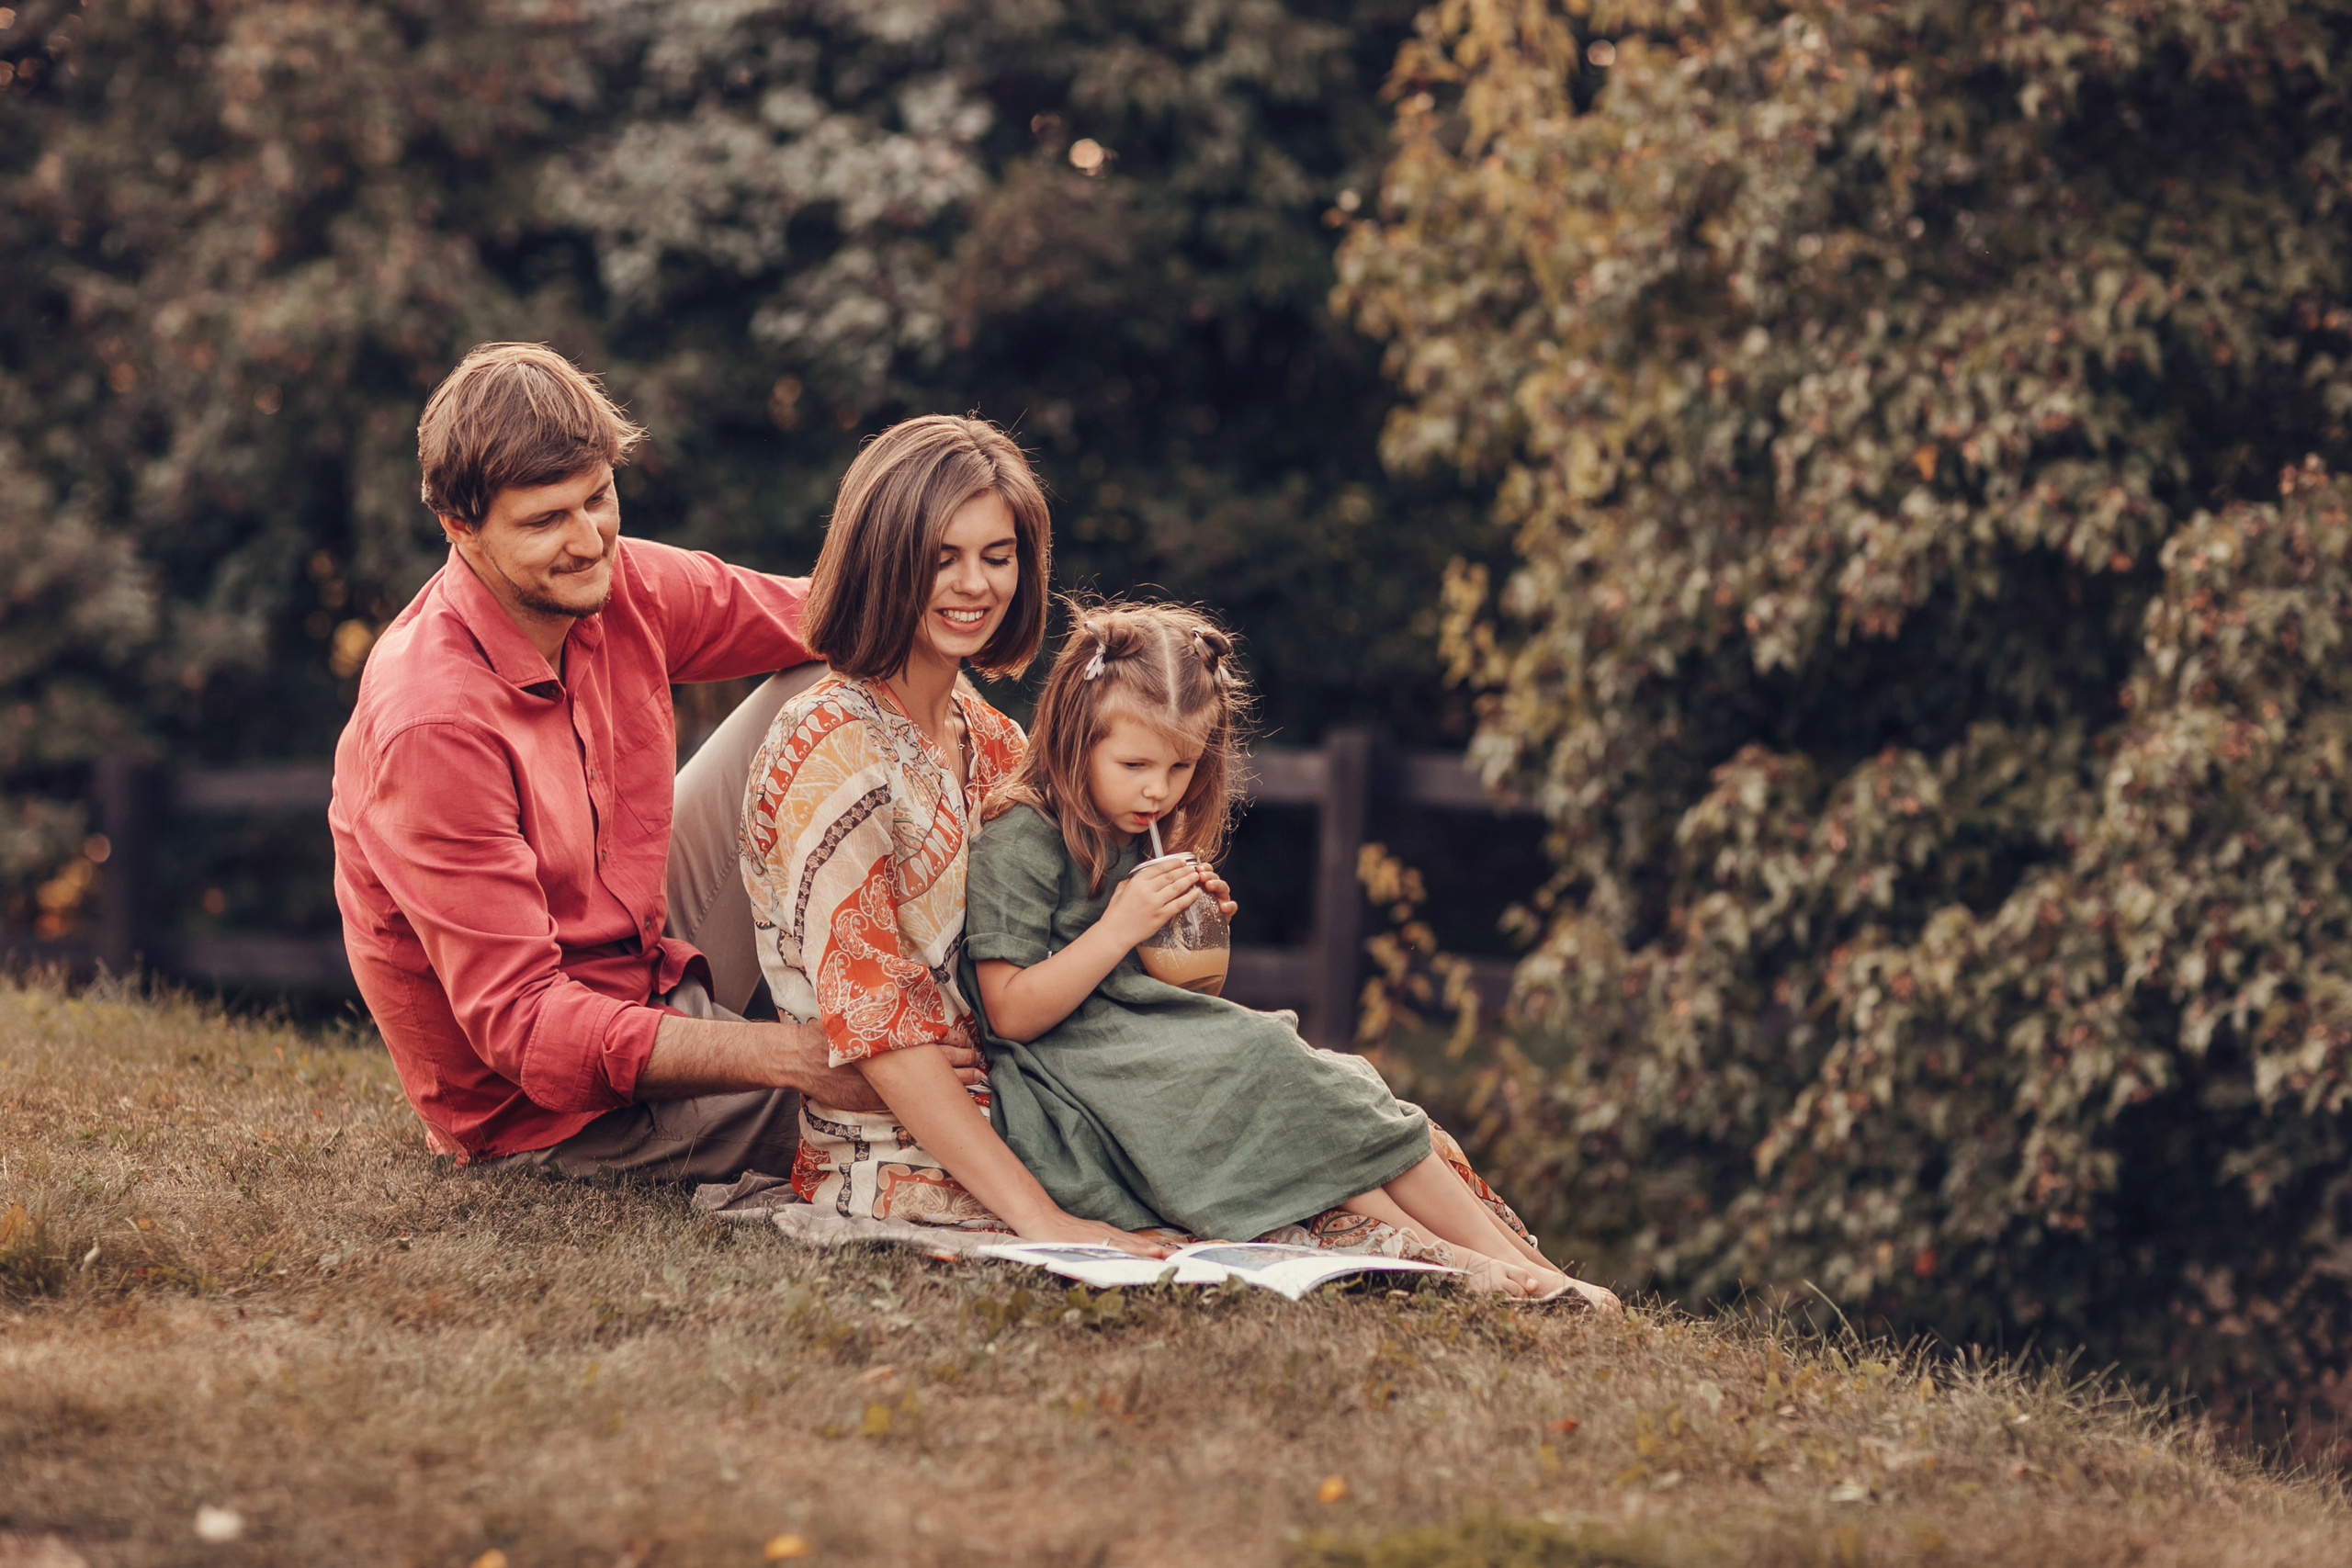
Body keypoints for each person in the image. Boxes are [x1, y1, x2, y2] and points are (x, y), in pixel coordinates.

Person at [330, 343, 983, 1183]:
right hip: (548, 1110)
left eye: (598, 498)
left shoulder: (617, 580)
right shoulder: (430, 725)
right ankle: (914, 1055)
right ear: (461, 528)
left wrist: (1045, 770)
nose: (588, 540)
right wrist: (798, 1056)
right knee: (936, 1112)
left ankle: (977, 981)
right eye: (544, 521)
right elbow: (527, 1028)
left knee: (840, 669)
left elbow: (834, 615)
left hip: (641, 956)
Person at [963, 599, 1622, 1304]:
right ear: (1074, 736)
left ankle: (1528, 1265)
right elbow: (1010, 1012)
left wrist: (1183, 928)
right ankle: (1464, 1260)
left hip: (1137, 1052)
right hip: (1068, 1076)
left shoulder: (1128, 827)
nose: (1159, 788)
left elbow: (1174, 998)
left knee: (1340, 1086)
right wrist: (1120, 927)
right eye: (1135, 762)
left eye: (1182, 765)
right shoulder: (1023, 836)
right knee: (1277, 1065)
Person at [741, 415, 1180, 1254]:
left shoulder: (996, 740)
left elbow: (1064, 945)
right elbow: (880, 1027)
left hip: (1046, 1106)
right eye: (942, 557)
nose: (974, 584)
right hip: (897, 1158)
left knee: (1308, 1113)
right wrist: (1046, 1222)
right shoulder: (828, 743)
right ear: (884, 555)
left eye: (997, 556)